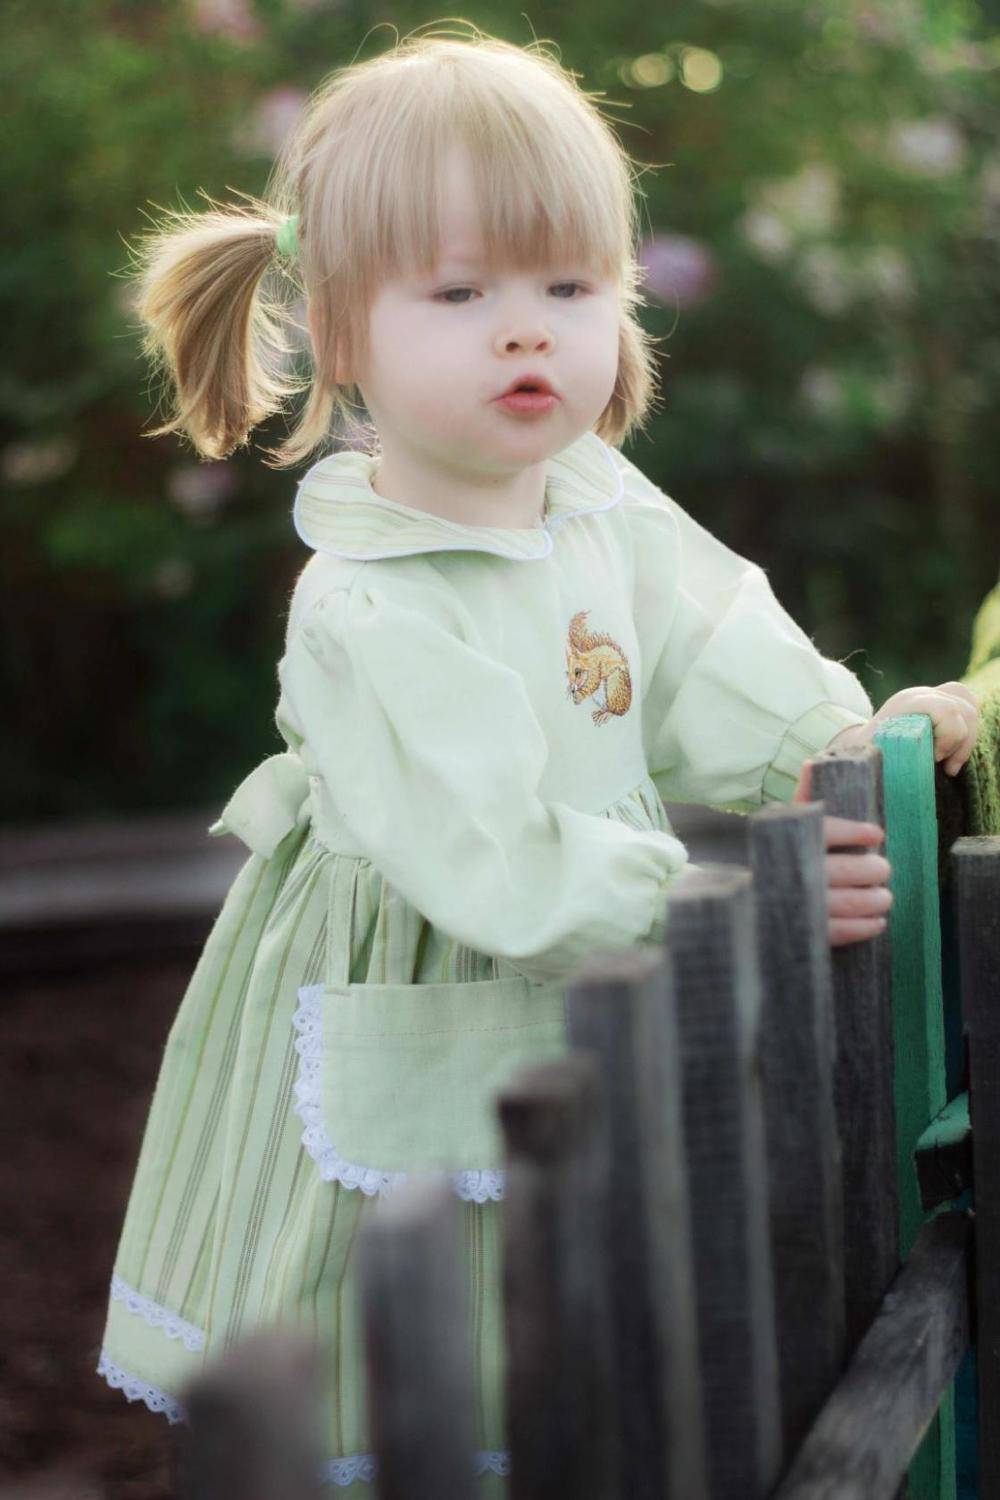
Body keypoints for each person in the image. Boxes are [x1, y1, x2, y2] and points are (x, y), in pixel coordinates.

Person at [97, 23, 981, 1492]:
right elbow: (492, 861)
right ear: (340, 327)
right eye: (461, 294)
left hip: (603, 944)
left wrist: (829, 741)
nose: (527, 333)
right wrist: (733, 904)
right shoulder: (370, 602)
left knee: (597, 1291)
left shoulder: (590, 499)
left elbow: (703, 640)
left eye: (570, 288)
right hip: (439, 951)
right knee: (429, 1319)